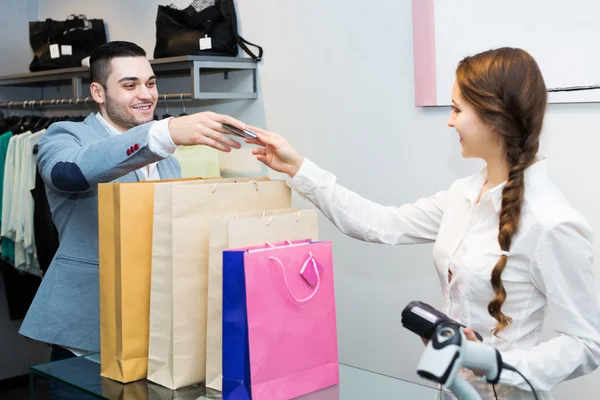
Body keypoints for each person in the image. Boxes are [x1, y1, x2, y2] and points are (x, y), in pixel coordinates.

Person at [245, 47, 600, 399]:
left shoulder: (552, 223)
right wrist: (299, 169)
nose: (449, 120)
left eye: (458, 109)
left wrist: (492, 361)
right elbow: (380, 224)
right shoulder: (464, 194)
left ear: (494, 117)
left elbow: (586, 345)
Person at [19, 41, 246, 360]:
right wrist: (161, 133)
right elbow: (68, 174)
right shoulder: (66, 136)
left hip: (151, 326)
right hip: (87, 327)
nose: (147, 94)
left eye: (150, 83)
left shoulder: (167, 159)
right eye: (130, 85)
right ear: (98, 93)